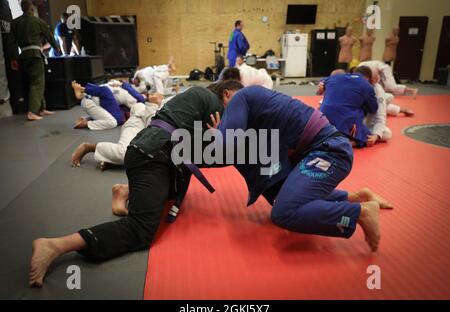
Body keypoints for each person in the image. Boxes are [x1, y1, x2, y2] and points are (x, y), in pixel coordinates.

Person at [28, 80, 244, 288]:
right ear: (227, 93)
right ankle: (55, 245)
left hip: (149, 154)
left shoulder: (197, 98)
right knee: (140, 231)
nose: (240, 110)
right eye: (239, 101)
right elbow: (214, 150)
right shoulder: (214, 105)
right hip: (152, 159)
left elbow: (204, 155)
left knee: (174, 193)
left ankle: (126, 190)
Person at [214, 85, 393, 255]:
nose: (226, 117)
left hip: (329, 152)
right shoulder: (258, 107)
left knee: (284, 212)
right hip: (322, 149)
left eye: (223, 113)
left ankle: (359, 213)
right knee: (282, 195)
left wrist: (218, 132)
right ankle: (357, 197)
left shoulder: (240, 98)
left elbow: (229, 143)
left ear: (227, 94)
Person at [9, 0, 60, 121]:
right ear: (32, 8)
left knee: (32, 82)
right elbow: (50, 36)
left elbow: (11, 43)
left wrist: (13, 58)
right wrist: (56, 48)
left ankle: (41, 109)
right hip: (35, 55)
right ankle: (32, 112)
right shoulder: (38, 21)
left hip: (23, 56)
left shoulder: (15, 23)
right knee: (38, 83)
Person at [319, 66, 379, 148]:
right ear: (368, 78)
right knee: (368, 137)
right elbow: (373, 109)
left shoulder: (336, 77)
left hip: (322, 118)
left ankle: (332, 138)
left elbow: (322, 81)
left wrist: (322, 85)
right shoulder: (366, 85)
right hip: (343, 120)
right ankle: (347, 143)